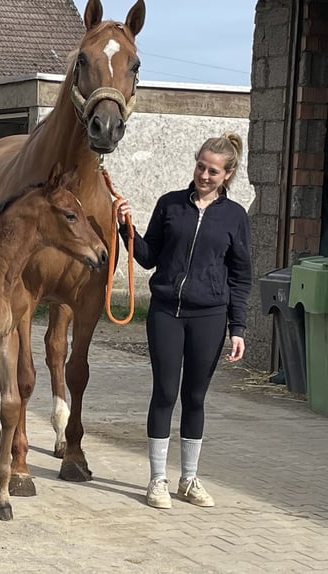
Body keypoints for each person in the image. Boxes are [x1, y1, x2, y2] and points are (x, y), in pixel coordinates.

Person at [115, 131, 252, 509]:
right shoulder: (170, 204)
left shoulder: (235, 217)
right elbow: (147, 257)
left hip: (209, 316)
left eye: (212, 171)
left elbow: (241, 277)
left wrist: (237, 328)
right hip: (165, 313)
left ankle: (188, 479)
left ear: (227, 175)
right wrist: (126, 228)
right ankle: (157, 480)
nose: (203, 175)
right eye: (200, 167)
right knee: (164, 394)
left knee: (195, 398)